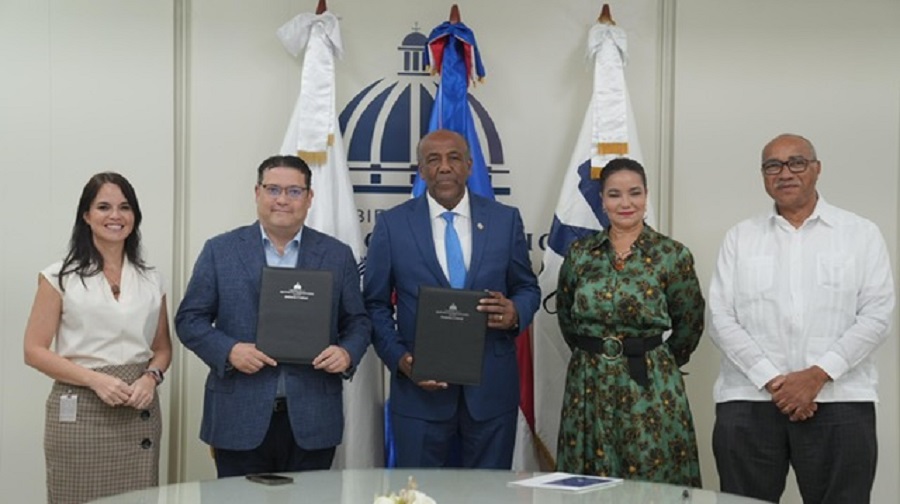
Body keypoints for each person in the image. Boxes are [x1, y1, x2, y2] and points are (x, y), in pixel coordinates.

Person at [708, 133, 895, 503]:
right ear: (763, 176)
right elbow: (720, 317)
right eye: (772, 166)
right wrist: (776, 382)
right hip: (749, 401)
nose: (785, 173)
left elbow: (877, 315)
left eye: (796, 162)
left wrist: (816, 376)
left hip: (840, 399)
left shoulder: (860, 234)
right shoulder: (740, 238)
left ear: (816, 169)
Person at [175, 155, 370, 477]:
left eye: (294, 191)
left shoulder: (336, 254)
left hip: (313, 418)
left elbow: (358, 321)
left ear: (309, 198)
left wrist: (346, 352)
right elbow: (189, 319)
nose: (282, 199)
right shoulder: (220, 250)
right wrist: (229, 351)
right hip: (238, 415)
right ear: (257, 193)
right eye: (273, 189)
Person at [364, 129, 540, 469]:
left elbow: (528, 288)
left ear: (470, 166)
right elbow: (374, 304)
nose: (444, 167)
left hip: (490, 393)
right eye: (433, 159)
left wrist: (516, 311)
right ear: (421, 170)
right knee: (418, 495)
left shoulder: (505, 221)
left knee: (487, 497)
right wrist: (401, 360)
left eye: (454, 157)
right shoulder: (392, 225)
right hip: (419, 396)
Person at [554, 157, 704, 486]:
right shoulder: (580, 253)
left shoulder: (672, 255)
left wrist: (656, 360)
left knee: (652, 470)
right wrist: (598, 353)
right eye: (614, 194)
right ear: (602, 201)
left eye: (634, 193)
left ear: (646, 196)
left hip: (650, 384)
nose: (626, 203)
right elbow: (566, 316)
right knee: (590, 475)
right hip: (588, 384)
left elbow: (689, 323)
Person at [23, 172, 172, 504]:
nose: (115, 216)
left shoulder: (152, 280)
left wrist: (150, 378)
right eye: (103, 207)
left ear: (135, 216)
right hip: (80, 412)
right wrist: (95, 381)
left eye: (125, 207)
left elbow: (162, 349)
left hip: (138, 406)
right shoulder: (58, 277)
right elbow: (33, 351)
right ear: (86, 216)